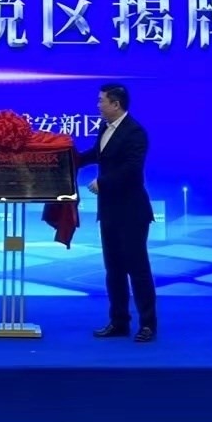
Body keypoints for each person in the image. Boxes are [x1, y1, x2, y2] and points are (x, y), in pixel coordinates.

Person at [77, 83, 156, 342]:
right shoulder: (105, 128)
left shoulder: (135, 132)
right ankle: (119, 322)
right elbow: (97, 154)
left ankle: (148, 325)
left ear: (115, 104)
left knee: (137, 269)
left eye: (101, 100)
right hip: (109, 211)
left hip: (132, 212)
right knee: (114, 270)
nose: (98, 105)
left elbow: (132, 169)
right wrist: (69, 161)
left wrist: (103, 182)